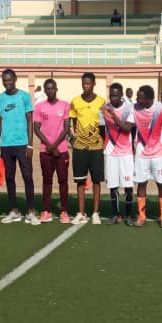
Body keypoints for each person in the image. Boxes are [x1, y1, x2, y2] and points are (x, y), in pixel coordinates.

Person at [0, 68, 37, 224]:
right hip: (6, 145)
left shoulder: (24, 97)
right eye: (4, 80)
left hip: (22, 144)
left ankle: (30, 211)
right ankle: (14, 211)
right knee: (10, 177)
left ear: (15, 79)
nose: (7, 83)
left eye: (9, 79)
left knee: (27, 176)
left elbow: (30, 121)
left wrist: (30, 145)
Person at [128, 85, 162, 227]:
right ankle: (142, 215)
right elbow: (128, 126)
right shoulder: (134, 108)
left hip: (158, 154)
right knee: (141, 183)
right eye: (137, 97)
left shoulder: (161, 108)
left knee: (161, 183)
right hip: (141, 153)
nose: (137, 99)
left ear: (149, 98)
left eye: (140, 97)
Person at [69, 71, 106, 225]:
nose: (86, 86)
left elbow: (103, 125)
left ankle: (95, 213)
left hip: (96, 147)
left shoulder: (101, 101)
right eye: (84, 83)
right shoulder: (75, 101)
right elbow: (73, 122)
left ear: (94, 84)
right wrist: (75, 139)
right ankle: (81, 212)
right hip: (79, 148)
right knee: (80, 180)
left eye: (89, 83)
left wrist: (101, 142)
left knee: (96, 180)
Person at [33, 78, 70, 222]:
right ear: (45, 91)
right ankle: (46, 210)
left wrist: (55, 146)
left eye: (52, 88)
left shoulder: (64, 105)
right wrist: (49, 145)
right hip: (45, 150)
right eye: (47, 89)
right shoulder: (40, 107)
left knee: (63, 181)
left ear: (56, 89)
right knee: (47, 181)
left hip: (61, 150)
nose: (50, 91)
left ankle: (64, 211)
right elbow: (36, 128)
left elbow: (66, 128)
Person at [100, 82, 135, 223]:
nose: (113, 98)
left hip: (126, 152)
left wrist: (113, 115)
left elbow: (127, 128)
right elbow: (101, 128)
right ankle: (116, 214)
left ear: (121, 95)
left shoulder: (129, 109)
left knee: (128, 185)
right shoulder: (104, 109)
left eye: (116, 95)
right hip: (110, 152)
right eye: (111, 95)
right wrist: (107, 143)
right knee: (113, 185)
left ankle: (128, 215)